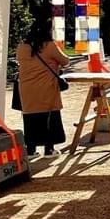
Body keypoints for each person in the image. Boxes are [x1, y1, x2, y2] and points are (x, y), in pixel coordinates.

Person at [15, 20, 70, 157]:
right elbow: (65, 61)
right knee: (48, 118)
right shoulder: (49, 45)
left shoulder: (22, 47)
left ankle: (31, 150)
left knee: (30, 119)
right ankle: (49, 149)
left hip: (26, 88)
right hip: (46, 87)